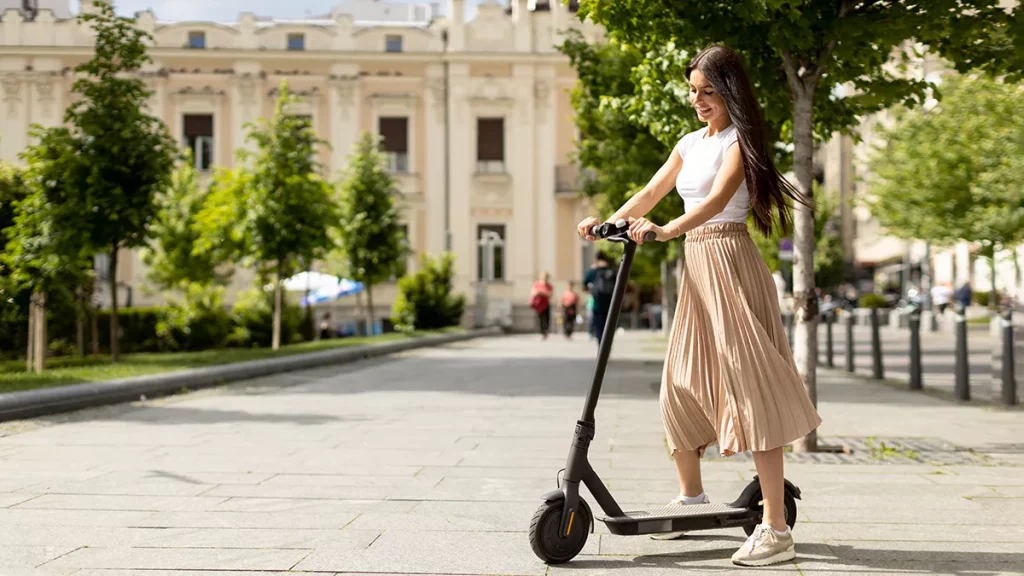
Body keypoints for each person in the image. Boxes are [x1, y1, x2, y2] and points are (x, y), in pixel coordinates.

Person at [577, 44, 821, 567]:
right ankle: (691, 497)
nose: (698, 100)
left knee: (752, 390)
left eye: (708, 90)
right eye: (693, 90)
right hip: (698, 268)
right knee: (680, 381)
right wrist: (607, 222)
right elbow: (649, 192)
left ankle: (776, 530)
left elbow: (716, 202)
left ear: (730, 91)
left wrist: (667, 229)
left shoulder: (740, 141)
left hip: (730, 260)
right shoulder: (689, 143)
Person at [583, 251, 617, 345]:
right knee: (609, 328)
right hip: (611, 304)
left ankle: (601, 347)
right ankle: (608, 347)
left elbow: (584, 284)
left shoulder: (593, 271)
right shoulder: (611, 270)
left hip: (597, 303)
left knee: (599, 328)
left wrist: (591, 291)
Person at [529, 272, 554, 339]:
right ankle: (543, 332)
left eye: (546, 277)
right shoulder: (537, 284)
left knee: (547, 318)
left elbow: (550, 295)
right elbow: (533, 293)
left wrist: (541, 293)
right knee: (540, 318)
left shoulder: (549, 285)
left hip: (546, 304)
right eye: (544, 277)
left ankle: (546, 331)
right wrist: (542, 293)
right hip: (539, 304)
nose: (545, 278)